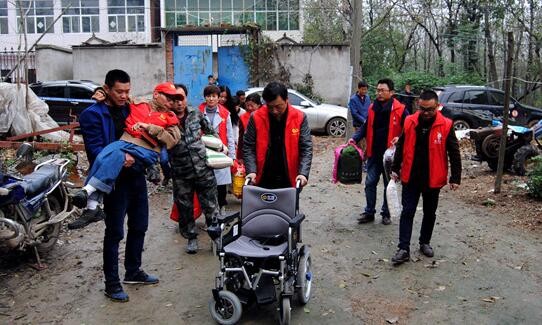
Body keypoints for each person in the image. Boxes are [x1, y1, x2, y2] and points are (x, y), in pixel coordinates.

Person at [78, 69, 158, 302]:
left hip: (136, 177)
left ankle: (133, 271)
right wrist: (121, 159)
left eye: (127, 91)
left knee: (139, 225)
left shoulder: (130, 108)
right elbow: (94, 150)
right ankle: (111, 283)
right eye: (119, 91)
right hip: (112, 182)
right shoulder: (92, 114)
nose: (124, 95)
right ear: (107, 89)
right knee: (114, 232)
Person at [72, 82, 181, 209]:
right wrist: (101, 91)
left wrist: (151, 128)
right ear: (156, 94)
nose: (171, 103)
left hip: (147, 150)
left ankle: (88, 193)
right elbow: (118, 94)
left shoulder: (170, 117)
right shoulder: (139, 103)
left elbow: (172, 140)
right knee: (103, 156)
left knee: (114, 156)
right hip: (126, 143)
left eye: (174, 100)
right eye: (168, 98)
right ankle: (91, 203)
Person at [390, 90, 461, 265]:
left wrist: (455, 178)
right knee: (407, 212)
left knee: (430, 213)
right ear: (418, 106)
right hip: (410, 175)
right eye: (422, 109)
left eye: (429, 109)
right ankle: (403, 248)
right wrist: (395, 167)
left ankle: (424, 242)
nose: (426, 113)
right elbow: (401, 145)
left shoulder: (446, 124)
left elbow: (454, 152)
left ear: (437, 106)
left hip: (433, 177)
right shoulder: (410, 121)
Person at [169, 83, 220, 254]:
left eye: (181, 98)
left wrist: (212, 152)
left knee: (211, 205)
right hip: (181, 172)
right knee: (185, 207)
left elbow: (212, 133)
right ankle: (191, 237)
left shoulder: (196, 114)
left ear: (186, 98)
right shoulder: (165, 119)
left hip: (203, 169)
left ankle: (216, 236)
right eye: (174, 99)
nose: (178, 103)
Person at [351, 78, 408, 225]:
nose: (379, 93)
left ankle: (386, 213)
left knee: (388, 184)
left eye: (383, 90)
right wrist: (354, 138)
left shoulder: (400, 109)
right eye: (378, 90)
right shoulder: (372, 108)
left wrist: (399, 138)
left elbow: (409, 129)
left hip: (390, 156)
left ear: (392, 92)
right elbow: (365, 126)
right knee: (370, 182)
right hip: (374, 153)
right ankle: (369, 212)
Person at [243, 81, 313, 189]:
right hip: (262, 176)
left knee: (289, 205)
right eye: (270, 107)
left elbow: (306, 147)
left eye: (278, 106)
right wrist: (251, 170)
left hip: (289, 176)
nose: (274, 111)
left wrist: (303, 173)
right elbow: (248, 146)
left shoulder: (299, 117)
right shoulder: (256, 117)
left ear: (286, 100)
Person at [199, 85, 236, 215]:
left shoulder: (225, 113)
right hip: (202, 153)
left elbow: (230, 135)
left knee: (221, 185)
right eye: (208, 96)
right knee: (206, 185)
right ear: (205, 97)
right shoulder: (198, 112)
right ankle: (209, 212)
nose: (211, 99)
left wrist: (232, 157)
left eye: (214, 96)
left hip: (221, 152)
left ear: (218, 97)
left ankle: (221, 207)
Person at [237, 92, 262, 163]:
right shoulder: (243, 117)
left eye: (252, 106)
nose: (249, 108)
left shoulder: (263, 117)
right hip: (249, 151)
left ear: (259, 105)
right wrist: (239, 156)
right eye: (247, 105)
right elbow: (241, 138)